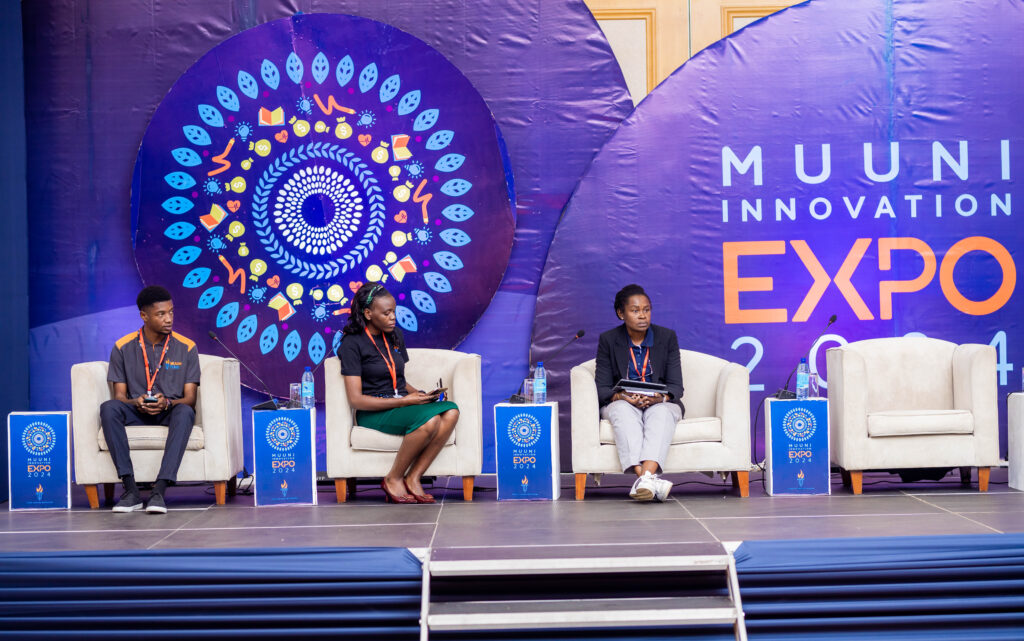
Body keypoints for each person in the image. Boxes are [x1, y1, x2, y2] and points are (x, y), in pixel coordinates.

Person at [338, 283, 460, 504]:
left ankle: (413, 477)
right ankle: (393, 478)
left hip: (401, 403)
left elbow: (399, 381)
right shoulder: (352, 343)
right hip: (373, 411)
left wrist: (421, 395)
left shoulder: (395, 335)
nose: (393, 317)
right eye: (386, 313)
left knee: (451, 411)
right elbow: (356, 400)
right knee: (430, 420)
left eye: (393, 311)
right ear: (368, 314)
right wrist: (405, 401)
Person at [100, 286, 200, 513]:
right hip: (137, 410)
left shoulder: (187, 347)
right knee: (109, 408)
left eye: (171, 312)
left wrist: (167, 403)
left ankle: (159, 491)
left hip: (170, 411)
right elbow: (120, 397)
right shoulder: (122, 347)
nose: (169, 319)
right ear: (144, 316)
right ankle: (130, 490)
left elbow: (190, 399)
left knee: (186, 412)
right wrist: (137, 402)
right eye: (161, 314)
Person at [595, 284, 684, 502]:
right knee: (621, 411)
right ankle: (648, 480)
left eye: (646, 310)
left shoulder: (667, 337)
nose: (642, 316)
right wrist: (620, 396)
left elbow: (676, 386)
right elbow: (602, 388)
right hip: (624, 401)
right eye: (635, 311)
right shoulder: (608, 340)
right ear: (621, 313)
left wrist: (660, 398)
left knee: (662, 412)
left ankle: (644, 482)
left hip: (659, 402)